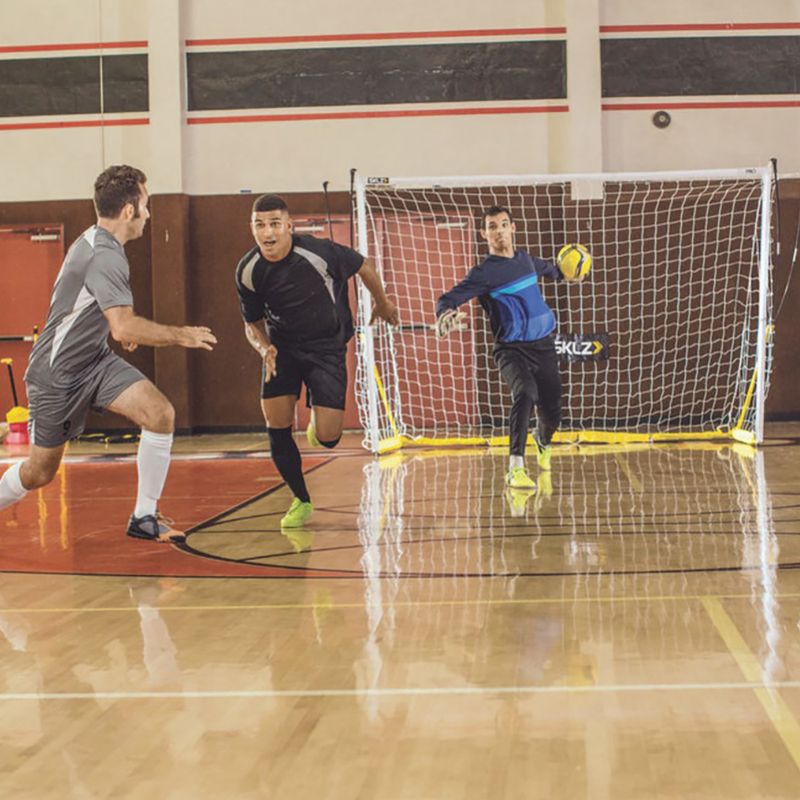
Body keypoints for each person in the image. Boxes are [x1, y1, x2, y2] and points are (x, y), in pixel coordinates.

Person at [0, 165, 216, 542]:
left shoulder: (101, 243)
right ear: (129, 210)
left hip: (95, 362)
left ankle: (144, 517)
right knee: (39, 472)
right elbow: (124, 325)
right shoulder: (104, 254)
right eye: (146, 205)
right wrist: (179, 335)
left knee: (159, 412)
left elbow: (105, 317)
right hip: (58, 375)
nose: (149, 214)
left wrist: (119, 329)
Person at [236, 194, 399, 529]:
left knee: (328, 437)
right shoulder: (248, 270)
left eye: (275, 224)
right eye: (260, 225)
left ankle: (317, 422)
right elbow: (251, 324)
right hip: (281, 348)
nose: (267, 232)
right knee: (276, 422)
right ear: (252, 229)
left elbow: (364, 265)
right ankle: (300, 499)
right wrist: (263, 347)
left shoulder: (319, 252)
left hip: (327, 347)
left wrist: (382, 302)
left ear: (289, 226)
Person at [436, 205, 568, 492]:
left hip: (543, 347)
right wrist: (446, 315)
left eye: (504, 224)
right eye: (492, 227)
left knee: (553, 413)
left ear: (513, 228)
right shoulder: (484, 274)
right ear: (484, 234)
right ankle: (515, 468)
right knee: (525, 393)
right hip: (511, 350)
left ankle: (542, 440)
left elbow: (556, 270)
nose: (499, 231)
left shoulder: (527, 262)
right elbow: (447, 299)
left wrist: (571, 271)